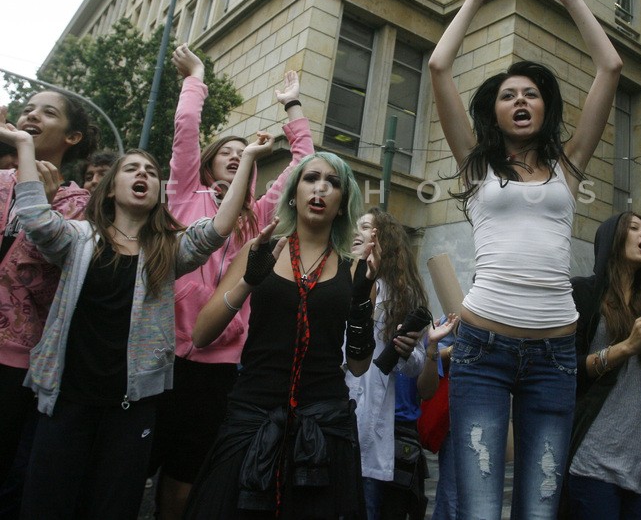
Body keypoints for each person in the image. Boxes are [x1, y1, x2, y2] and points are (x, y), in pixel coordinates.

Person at [428, 0, 622, 518]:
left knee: (539, 508)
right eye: (509, 94)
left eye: (531, 93)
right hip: (482, 349)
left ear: (545, 108)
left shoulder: (569, 164)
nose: (520, 100)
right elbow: (440, 67)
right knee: (481, 507)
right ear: (496, 111)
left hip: (555, 356)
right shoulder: (476, 164)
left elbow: (609, 68)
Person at [0, 116, 270, 519]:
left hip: (132, 406)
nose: (143, 174)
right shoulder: (76, 238)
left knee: (111, 506)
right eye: (131, 169)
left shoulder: (167, 251)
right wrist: (24, 144)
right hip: (66, 398)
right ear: (110, 190)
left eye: (151, 171)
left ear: (159, 192)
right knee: (46, 503)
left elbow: (217, 227)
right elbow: (36, 216)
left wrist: (248, 157)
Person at [152, 44, 314, 519]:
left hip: (220, 365)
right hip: (160, 352)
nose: (234, 156)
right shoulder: (184, 194)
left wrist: (292, 106)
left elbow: (303, 161)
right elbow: (186, 131)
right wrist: (195, 77)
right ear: (207, 163)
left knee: (185, 475)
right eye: (225, 152)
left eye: (242, 153)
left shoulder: (260, 214)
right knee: (135, 465)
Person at [185, 151, 377, 519]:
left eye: (333, 182)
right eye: (310, 178)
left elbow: (358, 364)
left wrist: (362, 304)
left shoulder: (358, 269)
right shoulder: (259, 250)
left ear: (341, 205)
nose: (320, 187)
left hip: (322, 427)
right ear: (293, 194)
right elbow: (201, 334)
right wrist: (248, 281)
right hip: (252, 417)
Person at [0, 91, 98, 498]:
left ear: (72, 136)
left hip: (18, 359)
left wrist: (46, 205)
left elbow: (53, 279)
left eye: (48, 112)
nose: (32, 115)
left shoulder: (78, 205)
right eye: (27, 109)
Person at [566, 212, 641, 519]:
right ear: (611, 239)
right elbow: (568, 370)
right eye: (634, 228)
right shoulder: (584, 292)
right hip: (594, 455)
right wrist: (626, 348)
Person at [348, 207, 433, 520]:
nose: (359, 232)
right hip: (331, 415)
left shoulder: (402, 295)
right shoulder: (337, 277)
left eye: (368, 227)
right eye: (358, 226)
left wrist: (407, 350)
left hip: (372, 424)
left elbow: (414, 367)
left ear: (384, 239)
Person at [416, 313, 459, 520]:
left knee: (454, 488)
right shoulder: (456, 316)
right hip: (454, 413)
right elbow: (430, 351)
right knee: (453, 488)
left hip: (465, 412)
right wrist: (454, 351)